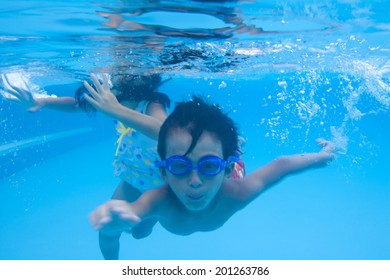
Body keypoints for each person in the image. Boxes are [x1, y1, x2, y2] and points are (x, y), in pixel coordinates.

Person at [89, 96, 338, 259]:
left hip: (230, 167)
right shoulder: (157, 200)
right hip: (200, 168)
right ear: (163, 172)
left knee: (223, 153)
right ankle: (203, 149)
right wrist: (109, 230)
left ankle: (227, 151)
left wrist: (323, 156)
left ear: (225, 171)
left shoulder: (238, 190)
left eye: (207, 167)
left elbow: (283, 165)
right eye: (179, 167)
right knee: (139, 233)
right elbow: (110, 236)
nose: (195, 181)